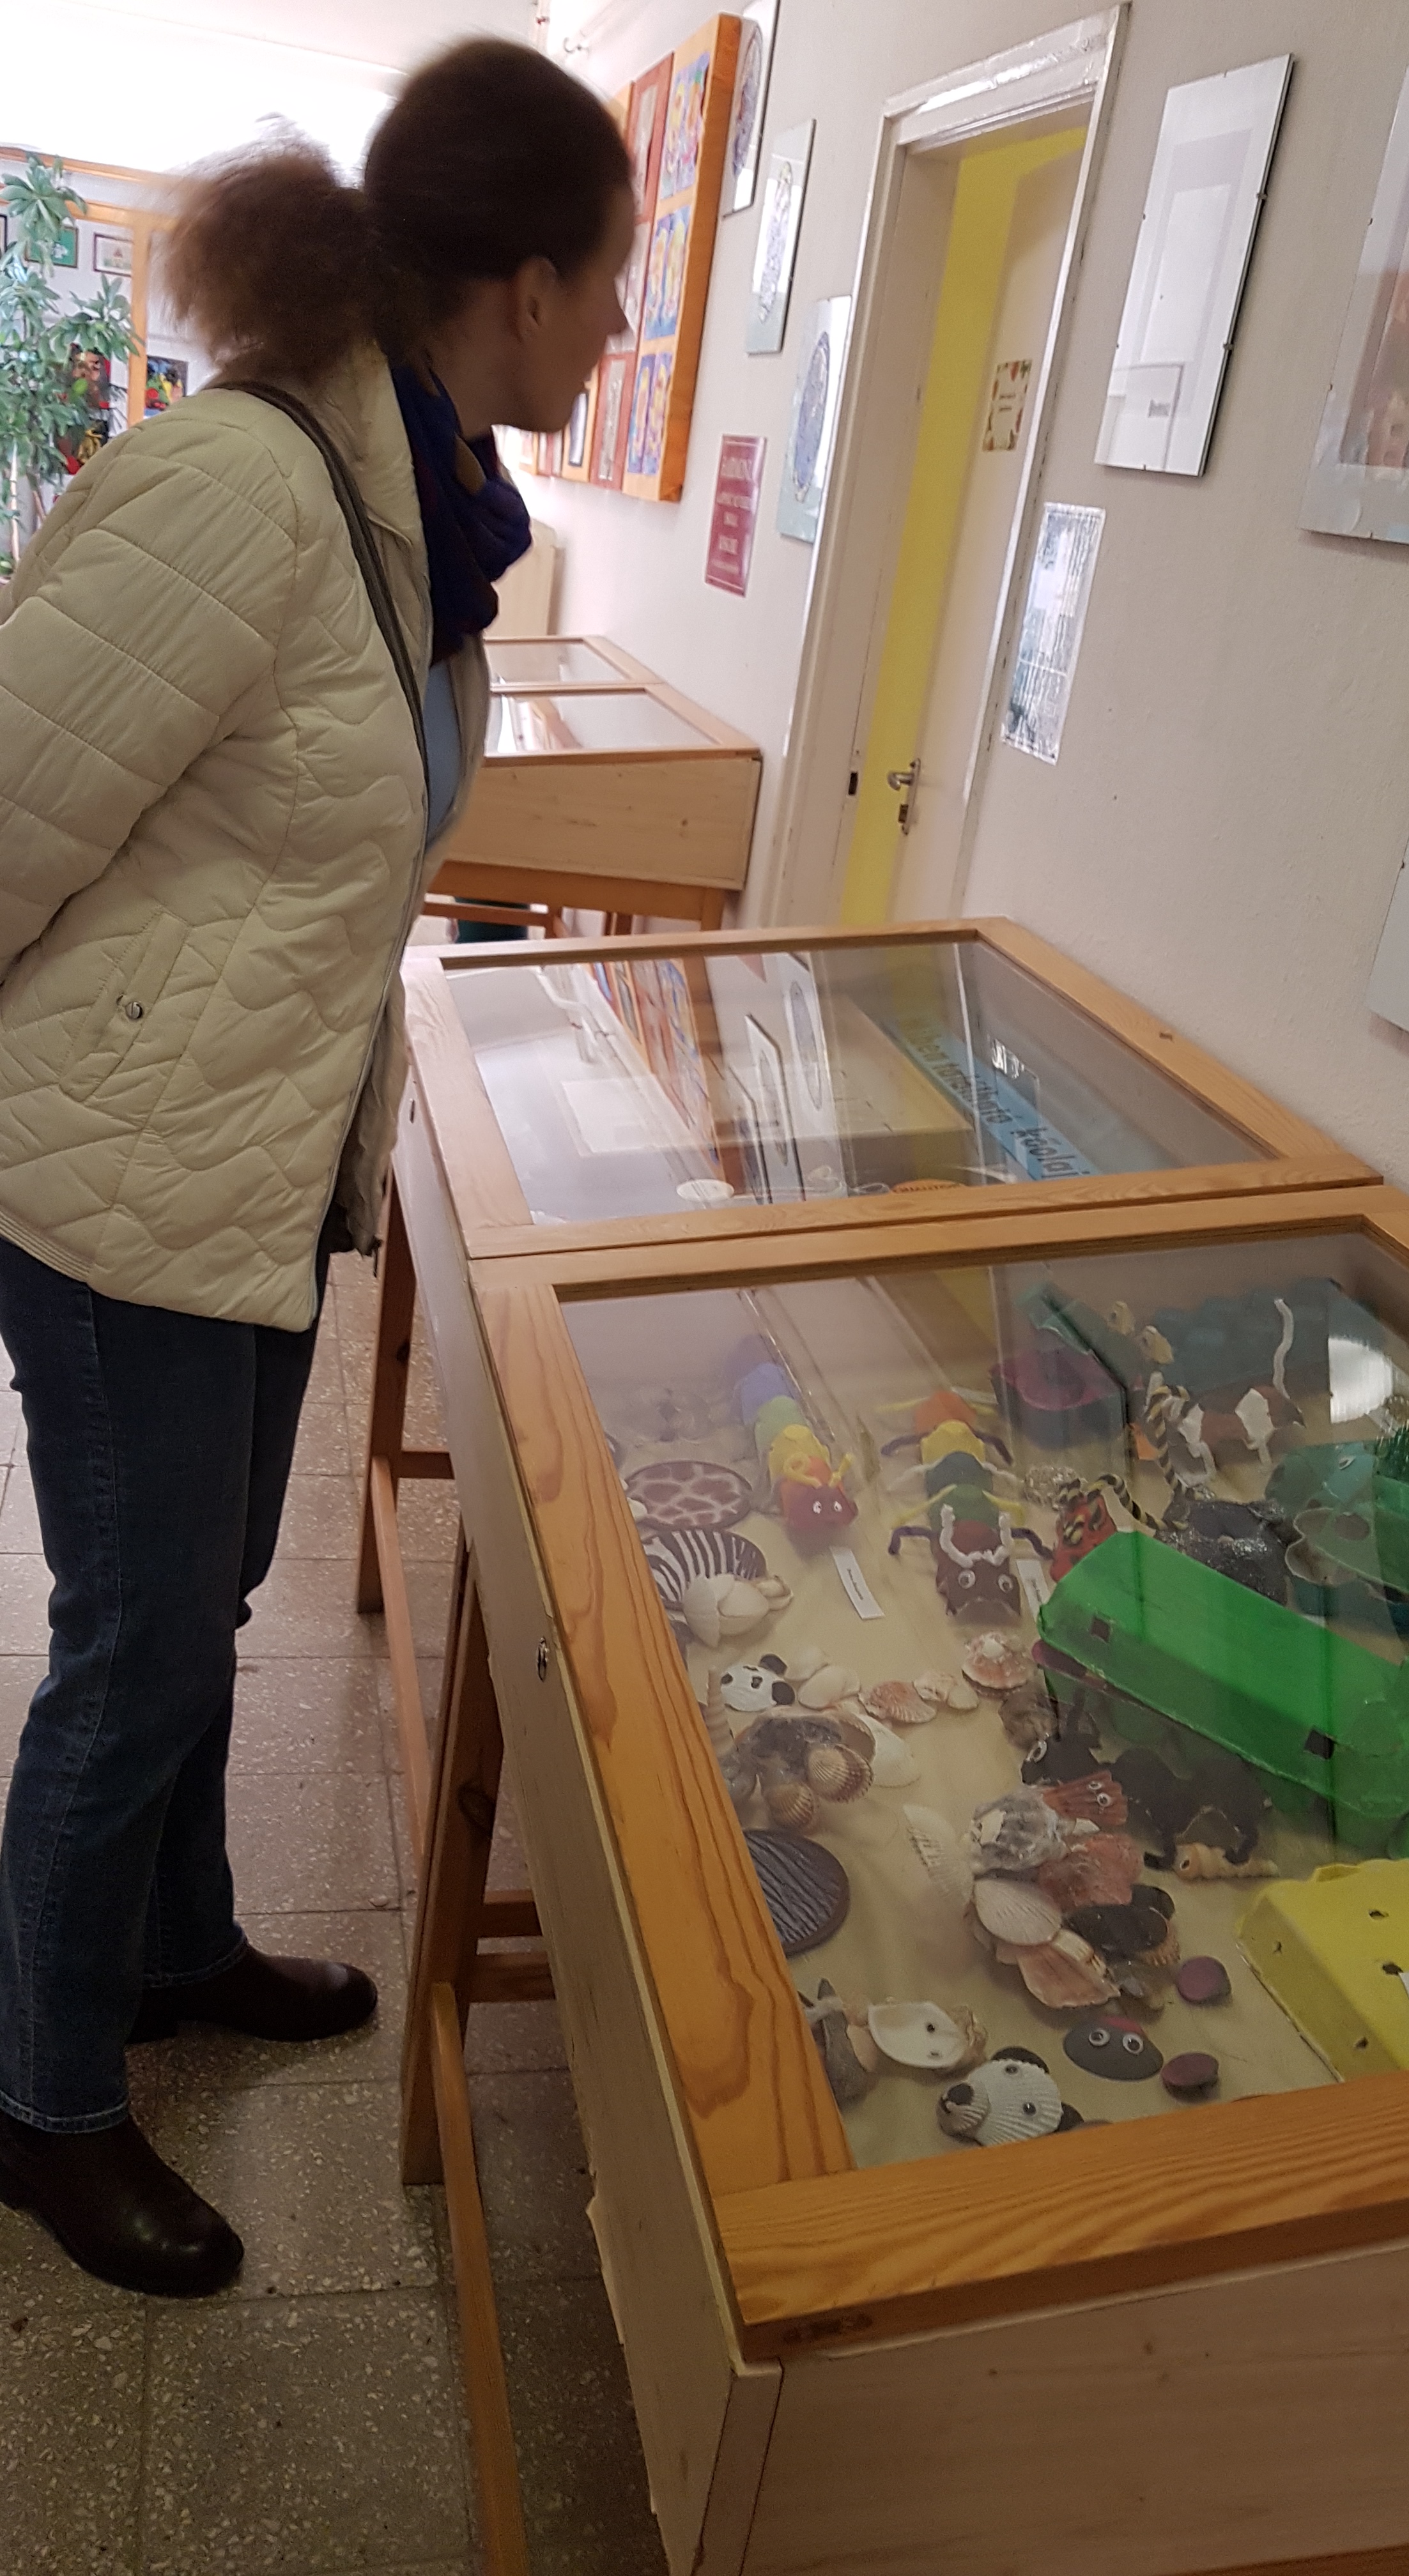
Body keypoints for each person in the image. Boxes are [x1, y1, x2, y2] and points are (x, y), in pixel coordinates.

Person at [0, 40, 632, 2297]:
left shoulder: (418, 503)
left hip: (253, 1165)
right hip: (121, 1178)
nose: (619, 331)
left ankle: (179, 1949)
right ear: (528, 280)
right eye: (614, 285)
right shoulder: (250, 489)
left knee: (208, 1612)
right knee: (138, 1645)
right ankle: (42, 2098)